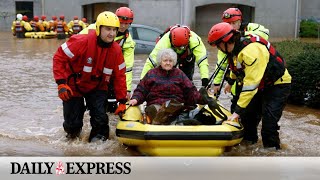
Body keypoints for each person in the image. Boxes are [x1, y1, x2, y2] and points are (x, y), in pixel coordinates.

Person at [207, 22, 291, 149]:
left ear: (226, 42)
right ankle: (248, 149)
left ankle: (272, 154)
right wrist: (230, 82)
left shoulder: (251, 51)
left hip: (277, 85)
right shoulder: (235, 48)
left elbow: (250, 86)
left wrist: (237, 112)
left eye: (218, 46)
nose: (219, 50)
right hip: (260, 84)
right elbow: (238, 67)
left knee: (269, 126)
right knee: (248, 121)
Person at [52, 11, 127, 142]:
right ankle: (72, 137)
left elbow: (120, 76)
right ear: (98, 29)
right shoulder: (81, 41)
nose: (112, 33)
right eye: (108, 29)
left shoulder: (116, 51)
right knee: (72, 126)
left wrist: (121, 101)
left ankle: (97, 146)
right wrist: (61, 83)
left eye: (114, 30)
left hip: (97, 86)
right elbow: (59, 58)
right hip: (74, 85)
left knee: (101, 121)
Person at [129, 48, 207, 124]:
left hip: (176, 105)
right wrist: (135, 99)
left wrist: (203, 99)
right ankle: (162, 120)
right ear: (160, 61)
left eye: (170, 61)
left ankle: (176, 120)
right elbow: (141, 89)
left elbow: (190, 90)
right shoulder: (151, 74)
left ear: (174, 62)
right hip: (157, 104)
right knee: (156, 110)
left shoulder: (179, 74)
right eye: (165, 61)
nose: (168, 63)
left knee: (183, 110)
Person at [140, 24, 210, 87]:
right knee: (167, 74)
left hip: (187, 56)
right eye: (177, 47)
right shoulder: (164, 42)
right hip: (170, 55)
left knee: (187, 79)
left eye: (182, 47)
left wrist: (205, 80)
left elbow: (202, 61)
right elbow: (151, 62)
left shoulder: (195, 40)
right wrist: (142, 81)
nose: (179, 49)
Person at [106, 6, 136, 113]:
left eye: (126, 23)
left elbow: (127, 67)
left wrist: (127, 90)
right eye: (121, 22)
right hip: (95, 69)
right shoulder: (103, 29)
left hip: (111, 73)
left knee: (111, 105)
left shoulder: (128, 42)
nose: (123, 26)